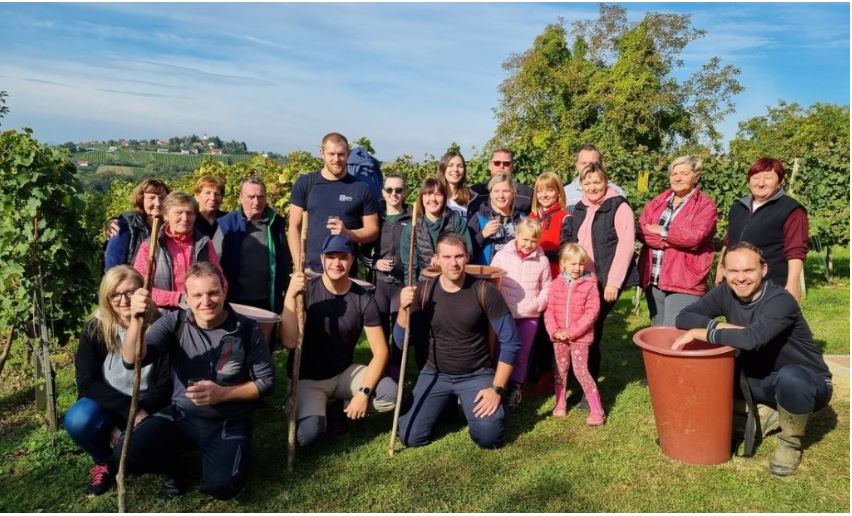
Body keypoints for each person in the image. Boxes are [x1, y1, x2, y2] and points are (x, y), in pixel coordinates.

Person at [120, 262, 275, 500]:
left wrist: (222, 394)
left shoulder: (245, 328)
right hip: (182, 415)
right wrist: (135, 321)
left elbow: (266, 383)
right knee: (127, 452)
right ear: (187, 298)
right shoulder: (175, 322)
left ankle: (223, 456)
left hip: (228, 419)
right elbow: (132, 360)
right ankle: (175, 469)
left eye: (213, 292)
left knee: (222, 487)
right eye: (198, 295)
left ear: (224, 290)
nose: (207, 301)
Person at [674, 242, 832, 476]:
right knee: (713, 375)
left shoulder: (781, 301)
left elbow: (752, 339)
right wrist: (719, 325)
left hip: (806, 382)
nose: (740, 278)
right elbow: (684, 316)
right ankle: (767, 411)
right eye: (733, 271)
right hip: (759, 380)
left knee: (791, 378)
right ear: (725, 272)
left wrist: (704, 332)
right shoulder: (725, 292)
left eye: (748, 270)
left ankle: (790, 443)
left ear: (764, 270)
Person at [395, 232, 522, 449]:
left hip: (477, 374)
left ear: (467, 256)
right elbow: (401, 343)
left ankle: (474, 405)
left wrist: (497, 389)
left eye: (459, 256)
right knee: (409, 437)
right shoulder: (423, 291)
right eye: (446, 257)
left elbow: (511, 341)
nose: (453, 263)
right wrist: (402, 309)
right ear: (436, 259)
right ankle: (446, 404)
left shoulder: (484, 291)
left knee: (489, 437)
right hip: (435, 373)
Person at [64, 266, 171, 497]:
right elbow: (86, 382)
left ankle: (145, 458)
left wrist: (142, 411)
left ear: (143, 292)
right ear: (107, 297)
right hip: (109, 402)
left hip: (149, 403)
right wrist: (123, 415)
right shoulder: (96, 326)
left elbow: (165, 381)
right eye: (115, 295)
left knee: (146, 452)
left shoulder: (161, 324)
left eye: (131, 292)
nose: (123, 301)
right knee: (78, 420)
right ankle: (104, 462)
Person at [281, 235, 397, 446]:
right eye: (331, 257)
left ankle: (339, 408)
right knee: (308, 436)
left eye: (343, 257)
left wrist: (363, 394)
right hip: (308, 379)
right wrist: (290, 295)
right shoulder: (306, 292)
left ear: (352, 260)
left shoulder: (363, 298)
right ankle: (301, 404)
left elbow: (381, 352)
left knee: (390, 395)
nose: (336, 263)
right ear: (322, 258)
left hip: (343, 373)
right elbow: (289, 342)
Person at [560, 162, 637, 405]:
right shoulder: (580, 207)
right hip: (583, 279)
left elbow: (626, 246)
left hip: (604, 281)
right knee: (583, 331)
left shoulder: (618, 206)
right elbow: (572, 242)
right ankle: (580, 378)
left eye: (597, 181)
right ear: (581, 184)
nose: (593, 187)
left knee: (589, 332)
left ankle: (588, 391)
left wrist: (614, 282)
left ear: (606, 182)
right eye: (587, 182)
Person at [637, 156, 718, 326]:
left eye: (684, 173)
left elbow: (696, 237)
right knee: (657, 329)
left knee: (673, 331)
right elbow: (642, 230)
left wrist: (662, 231)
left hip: (684, 279)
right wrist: (672, 239)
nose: (677, 178)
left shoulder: (705, 205)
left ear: (696, 176)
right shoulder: (659, 201)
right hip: (654, 278)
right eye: (674, 173)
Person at [714, 157, 808, 302]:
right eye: (756, 177)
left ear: (780, 182)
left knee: (766, 324)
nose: (761, 183)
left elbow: (796, 250)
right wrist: (721, 269)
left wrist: (792, 284)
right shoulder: (738, 207)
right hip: (737, 284)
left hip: (771, 285)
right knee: (736, 324)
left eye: (768, 178)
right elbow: (729, 241)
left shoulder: (791, 210)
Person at [288, 132, 380, 275]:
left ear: (348, 154)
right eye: (331, 154)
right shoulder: (306, 184)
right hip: (311, 272)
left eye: (341, 154)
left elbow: (372, 230)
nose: (336, 159)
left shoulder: (360, 188)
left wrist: (347, 233)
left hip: (345, 274)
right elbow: (294, 227)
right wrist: (300, 267)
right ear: (322, 153)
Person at [489, 218, 552, 409]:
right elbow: (493, 279)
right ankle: (498, 387)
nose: (528, 244)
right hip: (505, 313)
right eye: (525, 239)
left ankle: (516, 388)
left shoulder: (542, 260)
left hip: (529, 314)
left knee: (523, 353)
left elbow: (547, 286)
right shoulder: (502, 255)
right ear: (516, 235)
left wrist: (538, 304)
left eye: (533, 241)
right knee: (500, 350)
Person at [134, 192, 225, 311]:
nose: (185, 218)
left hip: (198, 314)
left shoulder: (205, 244)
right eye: (178, 213)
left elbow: (221, 281)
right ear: (166, 215)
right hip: (160, 315)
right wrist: (177, 298)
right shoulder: (150, 246)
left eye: (189, 213)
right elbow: (139, 287)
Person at [544, 244, 603, 424]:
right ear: (563, 264)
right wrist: (554, 331)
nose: (577, 268)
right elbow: (550, 310)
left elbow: (592, 312)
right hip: (559, 337)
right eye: (572, 264)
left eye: (580, 264)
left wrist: (570, 332)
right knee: (560, 370)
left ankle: (597, 410)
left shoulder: (590, 285)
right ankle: (560, 402)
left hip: (579, 338)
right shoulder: (555, 284)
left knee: (580, 370)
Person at [214, 177, 291, 314]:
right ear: (240, 197)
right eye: (251, 197)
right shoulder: (227, 225)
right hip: (234, 303)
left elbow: (285, 261)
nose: (256, 202)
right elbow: (214, 263)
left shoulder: (276, 224)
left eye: (260, 197)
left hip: (268, 303)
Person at [524, 172, 570, 398]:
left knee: (548, 330)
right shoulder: (531, 217)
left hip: (554, 281)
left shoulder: (565, 216)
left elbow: (566, 249)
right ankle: (533, 373)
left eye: (550, 190)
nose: (544, 194)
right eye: (540, 190)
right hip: (532, 281)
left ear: (558, 192)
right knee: (533, 330)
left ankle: (550, 377)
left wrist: (543, 253)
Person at [400, 177, 472, 287]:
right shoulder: (412, 228)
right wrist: (413, 291)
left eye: (438, 194)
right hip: (425, 285)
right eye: (428, 194)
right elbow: (410, 268)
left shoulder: (456, 221)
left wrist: (443, 260)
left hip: (455, 283)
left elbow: (469, 252)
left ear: (444, 198)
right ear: (422, 198)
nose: (433, 199)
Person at [371, 174, 412, 340]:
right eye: (389, 189)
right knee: (380, 330)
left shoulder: (413, 218)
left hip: (402, 282)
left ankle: (396, 365)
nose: (393, 193)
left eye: (398, 190)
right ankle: (382, 364)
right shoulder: (375, 219)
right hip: (379, 283)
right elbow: (362, 251)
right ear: (383, 192)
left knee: (399, 330)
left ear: (404, 193)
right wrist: (376, 263)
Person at [104, 178, 170, 271]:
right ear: (141, 200)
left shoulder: (172, 226)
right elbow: (113, 269)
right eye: (151, 198)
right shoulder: (125, 226)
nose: (157, 203)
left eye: (162, 198)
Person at [468, 173, 527, 265]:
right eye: (496, 191)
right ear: (491, 194)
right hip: (487, 275)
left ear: (513, 193)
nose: (501, 195)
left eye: (506, 191)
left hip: (514, 276)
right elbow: (466, 251)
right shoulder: (478, 218)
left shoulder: (522, 219)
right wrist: (482, 235)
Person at [468, 148, 533, 215]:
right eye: (497, 163)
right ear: (489, 166)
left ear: (512, 166)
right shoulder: (475, 192)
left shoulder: (527, 194)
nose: (501, 166)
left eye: (506, 163)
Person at [563, 145, 626, 213]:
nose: (588, 167)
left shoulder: (616, 193)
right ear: (576, 165)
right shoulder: (565, 193)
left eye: (593, 163)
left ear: (601, 164)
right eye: (584, 163)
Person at [436, 150, 478, 218]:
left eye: (460, 166)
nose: (455, 169)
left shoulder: (472, 198)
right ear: (443, 168)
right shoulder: (433, 198)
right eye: (450, 165)